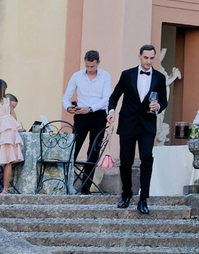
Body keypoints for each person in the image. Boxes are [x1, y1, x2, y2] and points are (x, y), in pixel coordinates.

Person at [108, 44, 168, 214]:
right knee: (126, 160)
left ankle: (143, 199)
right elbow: (114, 96)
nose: (148, 61)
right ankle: (126, 193)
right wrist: (111, 111)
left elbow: (164, 101)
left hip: (147, 124)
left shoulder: (159, 78)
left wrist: (158, 106)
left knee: (147, 158)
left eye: (152, 58)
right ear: (140, 56)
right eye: (146, 58)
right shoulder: (127, 74)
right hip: (128, 122)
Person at [63, 50, 112, 194]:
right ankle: (66, 184)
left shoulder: (105, 76)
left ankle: (85, 187)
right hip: (80, 116)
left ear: (98, 63)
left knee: (94, 152)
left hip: (98, 115)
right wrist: (68, 107)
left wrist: (90, 109)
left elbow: (106, 98)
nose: (89, 69)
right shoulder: (77, 76)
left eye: (92, 66)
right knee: (73, 149)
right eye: (87, 66)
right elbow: (66, 96)